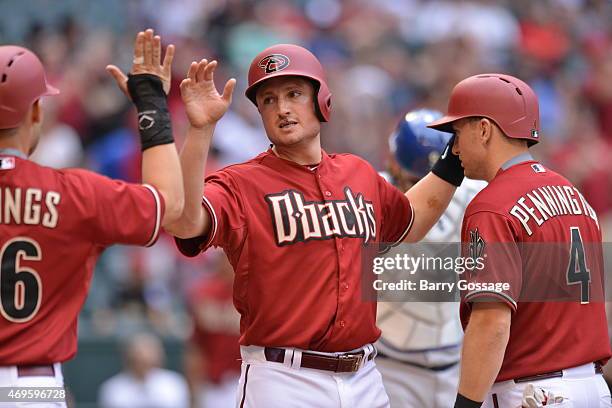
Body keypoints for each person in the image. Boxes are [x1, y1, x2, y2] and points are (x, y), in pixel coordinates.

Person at [167, 43, 464, 407]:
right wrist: (200, 131)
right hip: (283, 379)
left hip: (366, 377)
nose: (283, 108)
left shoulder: (358, 172)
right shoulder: (240, 184)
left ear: (321, 100)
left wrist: (454, 161)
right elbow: (183, 222)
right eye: (269, 100)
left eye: (294, 94)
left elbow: (411, 222)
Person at [0, 29, 183, 405]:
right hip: (27, 388)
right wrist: (151, 103)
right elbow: (171, 205)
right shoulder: (75, 193)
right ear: (36, 111)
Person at [426, 73, 612, 407]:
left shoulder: (492, 205)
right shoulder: (573, 193)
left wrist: (466, 404)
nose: (453, 148)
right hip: (593, 388)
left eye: (457, 133)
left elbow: (491, 322)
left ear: (483, 130)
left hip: (534, 392)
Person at [376, 109, 486, 408]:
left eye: (442, 177)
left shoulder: (477, 195)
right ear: (392, 164)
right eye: (415, 180)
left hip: (458, 361)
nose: (429, 190)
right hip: (389, 365)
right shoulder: (370, 196)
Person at [183, 250, 242, 408]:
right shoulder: (204, 291)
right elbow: (195, 347)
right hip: (214, 385)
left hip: (248, 379)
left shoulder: (253, 290)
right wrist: (193, 391)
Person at [98, 333, 189, 408]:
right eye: (137, 357)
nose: (142, 360)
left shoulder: (173, 382)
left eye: (148, 358)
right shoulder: (113, 387)